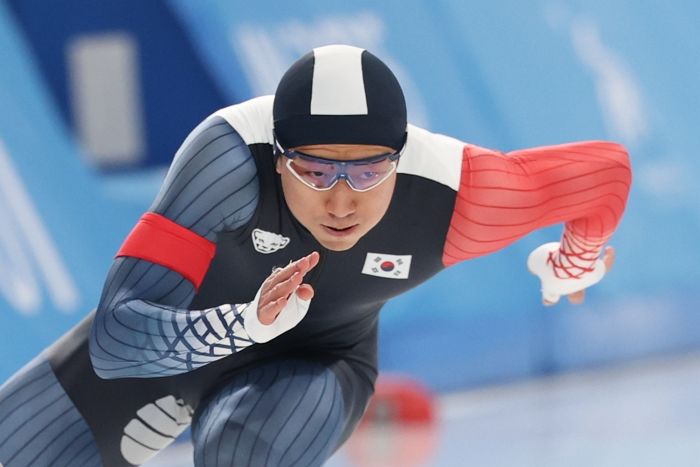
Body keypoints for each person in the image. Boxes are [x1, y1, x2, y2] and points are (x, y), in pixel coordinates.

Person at [0, 44, 630, 467]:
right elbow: (115, 340)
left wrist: (577, 260)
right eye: (314, 171)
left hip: (314, 365)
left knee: (242, 449)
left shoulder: (458, 197)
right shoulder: (227, 162)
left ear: (400, 158)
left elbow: (605, 174)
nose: (341, 201)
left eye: (367, 172)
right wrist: (242, 325)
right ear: (278, 159)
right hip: (166, 349)